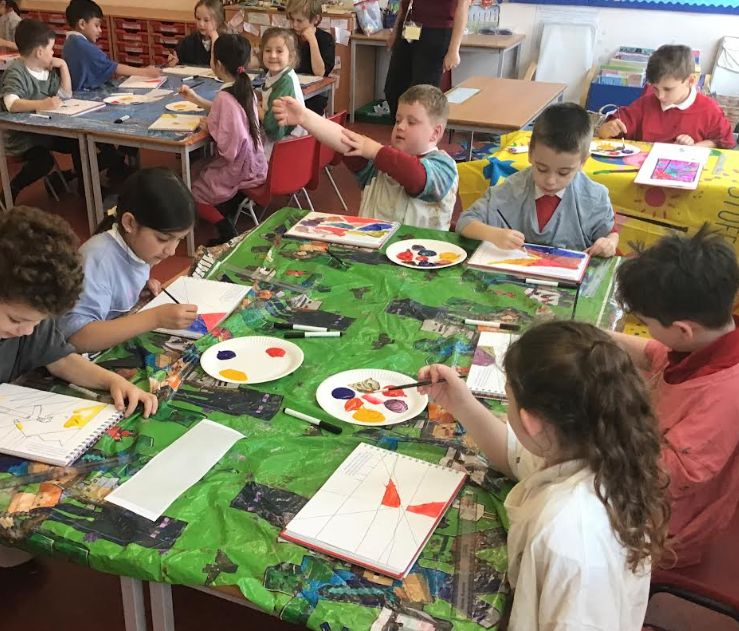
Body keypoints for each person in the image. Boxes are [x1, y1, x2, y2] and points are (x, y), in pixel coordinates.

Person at [418, 321, 670, 631]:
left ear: (530, 422)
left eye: (508, 400)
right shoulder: (600, 444)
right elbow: (518, 457)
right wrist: (460, 402)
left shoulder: (568, 542)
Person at [609, 225, 739, 567]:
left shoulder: (723, 395)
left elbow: (668, 477)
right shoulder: (707, 342)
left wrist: (597, 436)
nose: (647, 330)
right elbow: (655, 354)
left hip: (666, 527)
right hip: (649, 467)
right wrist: (596, 335)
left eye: (646, 323)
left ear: (682, 329)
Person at [0, 206, 158, 412]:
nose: (28, 331)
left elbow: (60, 360)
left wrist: (113, 381)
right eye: (16, 320)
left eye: (38, 322)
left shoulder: (30, 308)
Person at [273, 84, 458, 230]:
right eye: (398, 120)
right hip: (371, 257)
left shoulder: (444, 167)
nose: (401, 126)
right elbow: (346, 141)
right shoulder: (380, 162)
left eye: (412, 122)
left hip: (420, 260)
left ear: (435, 133)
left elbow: (416, 177)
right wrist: (304, 117)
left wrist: (375, 151)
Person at [59, 168, 198, 354]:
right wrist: (155, 318)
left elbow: (113, 288)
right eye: (163, 239)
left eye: (180, 239)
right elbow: (77, 338)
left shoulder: (136, 247)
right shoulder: (96, 258)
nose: (171, 251)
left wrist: (135, 293)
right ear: (130, 223)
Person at [457, 102, 619, 257]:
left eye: (563, 173)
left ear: (583, 162)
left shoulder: (594, 197)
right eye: (542, 168)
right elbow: (465, 222)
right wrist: (494, 235)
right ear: (530, 153)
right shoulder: (512, 189)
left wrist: (608, 244)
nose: (550, 180)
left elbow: (611, 234)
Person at [179, 34, 267, 245]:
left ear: (217, 64)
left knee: (191, 191)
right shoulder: (245, 89)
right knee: (196, 168)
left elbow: (230, 148)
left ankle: (226, 230)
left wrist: (210, 128)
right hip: (255, 161)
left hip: (237, 166)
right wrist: (196, 100)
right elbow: (230, 114)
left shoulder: (225, 97)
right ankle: (225, 208)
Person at [0, 18, 83, 200]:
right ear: (39, 52)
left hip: (45, 133)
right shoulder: (16, 72)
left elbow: (65, 95)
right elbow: (11, 103)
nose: (53, 53)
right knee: (43, 161)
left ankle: (83, 188)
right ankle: (12, 190)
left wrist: (63, 66)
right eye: (51, 49)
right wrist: (42, 104)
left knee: (78, 144)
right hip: (22, 139)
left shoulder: (46, 70)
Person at [599, 44, 735, 149]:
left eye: (668, 89)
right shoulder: (645, 104)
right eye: (655, 88)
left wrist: (694, 147)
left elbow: (722, 142)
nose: (660, 96)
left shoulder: (709, 109)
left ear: (690, 81)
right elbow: (608, 131)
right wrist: (606, 130)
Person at [384, 0, 470, 119]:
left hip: (436, 32)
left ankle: (419, 129)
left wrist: (454, 50)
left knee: (422, 96)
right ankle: (401, 126)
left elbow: (463, 7)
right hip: (408, 27)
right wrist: (394, 32)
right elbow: (404, 5)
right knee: (393, 89)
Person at [63, 0, 160, 91]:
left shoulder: (71, 42)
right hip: (83, 94)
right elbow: (112, 67)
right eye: (96, 25)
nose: (100, 30)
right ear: (82, 24)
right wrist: (146, 72)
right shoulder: (82, 46)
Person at [259, 26, 305, 159]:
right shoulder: (276, 74)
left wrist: (255, 107)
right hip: (285, 140)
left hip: (288, 146)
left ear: (291, 57)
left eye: (279, 51)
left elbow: (274, 129)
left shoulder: (285, 82)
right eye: (268, 50)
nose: (272, 55)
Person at [286, 0, 334, 115]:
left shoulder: (326, 39)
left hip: (314, 99)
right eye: (292, 19)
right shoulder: (287, 37)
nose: (294, 25)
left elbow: (319, 72)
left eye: (300, 21)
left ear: (315, 19)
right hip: (288, 92)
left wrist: (312, 41)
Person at [167, 0, 225, 67]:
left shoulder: (227, 44)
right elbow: (176, 62)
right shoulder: (187, 42)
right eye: (198, 19)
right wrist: (173, 63)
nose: (201, 24)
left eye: (206, 20)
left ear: (218, 21)